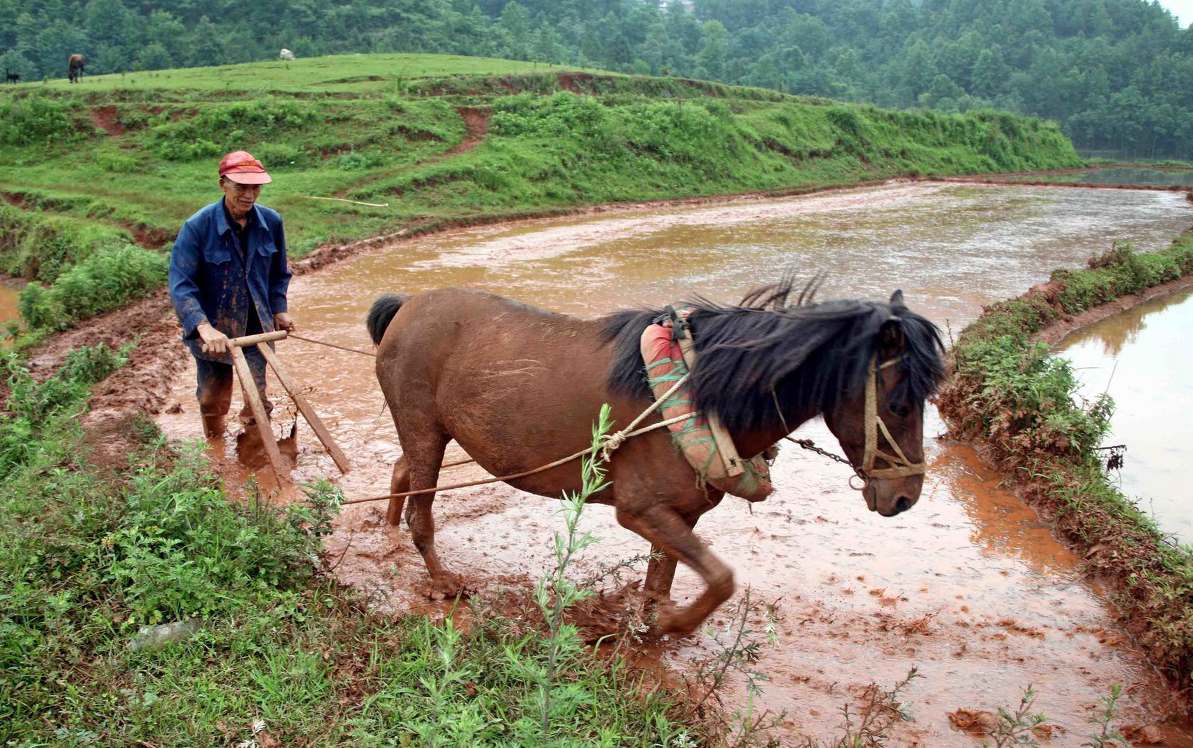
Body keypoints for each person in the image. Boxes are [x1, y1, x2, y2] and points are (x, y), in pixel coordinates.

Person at [168, 150, 294, 440]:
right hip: (214, 333)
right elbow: (181, 283)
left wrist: (279, 309)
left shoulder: (271, 223)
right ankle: (216, 452)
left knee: (257, 402)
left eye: (255, 188)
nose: (249, 195)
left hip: (257, 330)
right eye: (241, 187)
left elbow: (278, 273)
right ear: (223, 184)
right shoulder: (197, 227)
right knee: (213, 399)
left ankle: (253, 454)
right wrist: (203, 327)